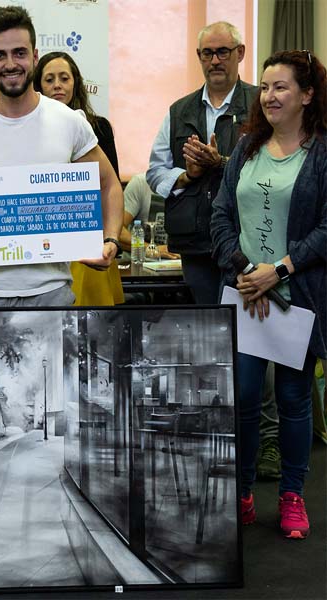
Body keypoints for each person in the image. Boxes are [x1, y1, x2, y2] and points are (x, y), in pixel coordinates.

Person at [0, 6, 123, 309]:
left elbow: (109, 184)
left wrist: (110, 240)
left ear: (34, 55)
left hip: (52, 292)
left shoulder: (68, 121)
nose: (10, 64)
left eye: (19, 53)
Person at [211, 50, 327, 539]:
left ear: (307, 94)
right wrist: (246, 272)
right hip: (243, 292)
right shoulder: (245, 148)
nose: (270, 95)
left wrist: (276, 270)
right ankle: (240, 493)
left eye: (281, 87)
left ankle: (292, 496)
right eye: (265, 87)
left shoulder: (321, 153)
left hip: (296, 294)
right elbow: (219, 218)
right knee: (240, 398)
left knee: (295, 398)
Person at [147, 21, 257, 304]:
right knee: (209, 327)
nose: (215, 61)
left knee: (246, 331)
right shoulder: (179, 110)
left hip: (247, 240)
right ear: (198, 56)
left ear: (240, 53)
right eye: (207, 54)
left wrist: (221, 162)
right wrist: (188, 176)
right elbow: (155, 172)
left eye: (223, 52)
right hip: (195, 245)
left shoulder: (261, 104)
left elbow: (275, 166)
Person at [33, 50, 123, 305]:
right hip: (46, 245)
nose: (57, 85)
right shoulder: (28, 130)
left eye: (64, 78)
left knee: (92, 331)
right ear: (38, 85)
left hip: (89, 242)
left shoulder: (99, 127)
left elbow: (110, 187)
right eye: (49, 79)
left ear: (76, 84)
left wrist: (110, 240)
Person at [118, 173, 180, 259]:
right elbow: (117, 232)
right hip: (140, 262)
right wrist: (150, 249)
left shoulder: (196, 185)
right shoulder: (140, 183)